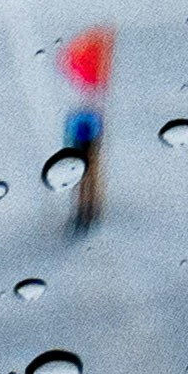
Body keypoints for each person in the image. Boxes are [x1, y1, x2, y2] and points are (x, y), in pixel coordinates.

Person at [59, 27, 113, 228]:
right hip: (88, 126)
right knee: (89, 170)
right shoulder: (90, 87)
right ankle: (88, 208)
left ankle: (86, 208)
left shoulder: (79, 87)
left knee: (85, 170)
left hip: (82, 126)